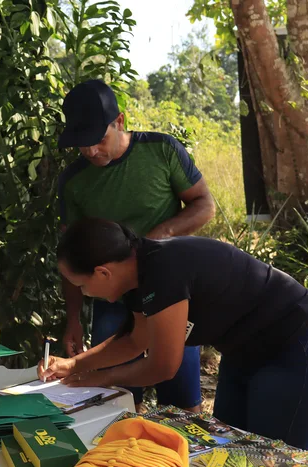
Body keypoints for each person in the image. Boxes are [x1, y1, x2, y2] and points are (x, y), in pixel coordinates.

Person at [39, 218, 308, 451]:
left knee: (271, 464)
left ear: (103, 272)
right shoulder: (138, 275)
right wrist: (74, 365)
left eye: (82, 286)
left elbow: (163, 366)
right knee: (230, 454)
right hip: (245, 352)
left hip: (300, 343)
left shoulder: (162, 272)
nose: (85, 293)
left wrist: (101, 378)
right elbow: (135, 340)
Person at [57, 79, 215, 412]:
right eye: (81, 145)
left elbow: (204, 205)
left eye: (99, 141)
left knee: (182, 398)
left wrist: (156, 240)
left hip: (172, 290)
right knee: (113, 399)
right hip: (112, 295)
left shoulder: (161, 150)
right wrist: (73, 318)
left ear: (120, 122)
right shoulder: (73, 180)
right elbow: (73, 257)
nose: (91, 152)